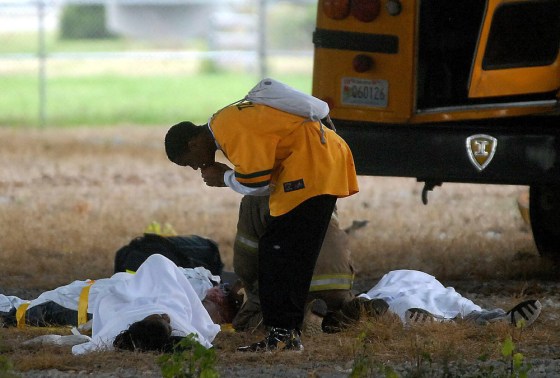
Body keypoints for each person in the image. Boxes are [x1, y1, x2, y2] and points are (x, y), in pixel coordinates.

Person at [165, 97, 359, 351]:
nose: (194, 167)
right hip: (323, 161)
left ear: (192, 143)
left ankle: (283, 335)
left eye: (188, 161)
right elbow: (264, 179)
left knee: (276, 253)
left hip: (311, 169)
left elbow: (255, 182)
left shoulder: (227, 132)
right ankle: (289, 333)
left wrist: (223, 177)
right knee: (288, 252)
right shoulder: (226, 120)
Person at [0, 255, 223, 354]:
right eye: (166, 318)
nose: (164, 315)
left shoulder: (119, 329)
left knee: (32, 307)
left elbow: (82, 347)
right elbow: (204, 339)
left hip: (114, 297)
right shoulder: (182, 327)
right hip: (132, 291)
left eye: (157, 316)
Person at [231, 194, 387, 335]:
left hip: (296, 287)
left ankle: (304, 317)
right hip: (337, 282)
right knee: (332, 304)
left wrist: (253, 290)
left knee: (245, 321)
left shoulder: (255, 195)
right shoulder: (320, 185)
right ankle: (351, 310)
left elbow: (245, 264)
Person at [357, 269, 542, 328]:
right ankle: (488, 319)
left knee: (453, 301)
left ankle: (496, 318)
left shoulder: (375, 292)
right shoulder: (376, 294)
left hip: (425, 286)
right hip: (420, 290)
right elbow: (363, 306)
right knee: (452, 302)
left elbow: (361, 304)